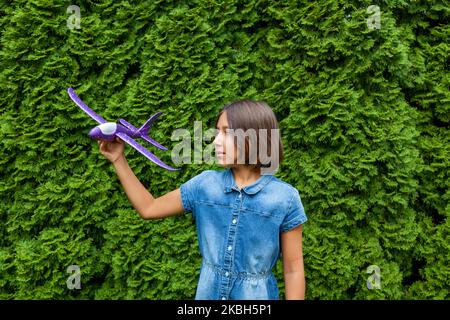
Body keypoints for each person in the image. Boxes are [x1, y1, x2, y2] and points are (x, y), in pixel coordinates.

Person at [98, 100, 308, 300]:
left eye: (226, 132)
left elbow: (293, 269)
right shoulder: (205, 185)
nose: (216, 140)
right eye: (217, 132)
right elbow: (149, 208)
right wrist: (118, 159)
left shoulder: (285, 198)